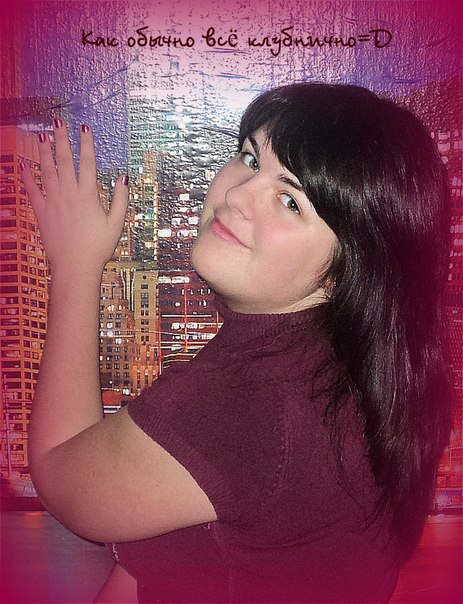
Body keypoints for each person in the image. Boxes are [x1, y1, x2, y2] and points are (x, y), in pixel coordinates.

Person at [20, 82, 453, 603]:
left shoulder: (251, 400)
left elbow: (64, 478)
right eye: (250, 158)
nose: (236, 195)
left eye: (290, 201)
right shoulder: (349, 365)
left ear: (345, 271)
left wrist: (74, 263)